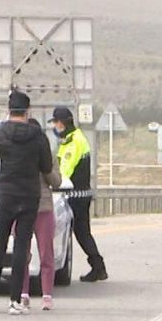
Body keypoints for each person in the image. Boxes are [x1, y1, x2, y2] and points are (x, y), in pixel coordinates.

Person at [0, 90, 55, 314]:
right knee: (21, 247)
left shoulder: (0, 133)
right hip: (30, 197)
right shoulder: (38, 135)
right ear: (28, 111)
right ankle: (15, 301)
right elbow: (47, 167)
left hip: (6, 195)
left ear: (9, 110)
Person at [51, 107, 107, 282]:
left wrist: (53, 183)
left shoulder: (74, 142)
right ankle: (98, 267)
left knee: (79, 232)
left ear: (61, 122)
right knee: (82, 232)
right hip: (78, 194)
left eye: (55, 122)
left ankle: (98, 267)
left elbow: (65, 171)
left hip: (76, 195)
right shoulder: (70, 139)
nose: (54, 126)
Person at [18, 119, 64, 311]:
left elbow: (57, 181)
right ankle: (23, 293)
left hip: (43, 207)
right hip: (21, 207)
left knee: (46, 253)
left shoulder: (49, 156)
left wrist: (45, 167)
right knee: (22, 253)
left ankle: (46, 295)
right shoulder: (18, 155)